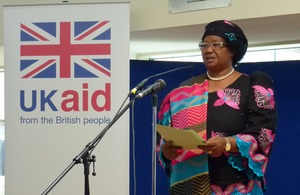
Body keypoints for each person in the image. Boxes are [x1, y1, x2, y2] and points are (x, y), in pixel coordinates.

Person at [157, 20, 277, 195]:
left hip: (237, 187)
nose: (208, 49)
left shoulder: (251, 85)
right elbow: (163, 137)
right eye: (204, 45)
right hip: (190, 187)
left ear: (232, 49)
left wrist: (227, 143)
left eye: (216, 44)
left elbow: (264, 134)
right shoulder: (184, 90)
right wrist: (166, 151)